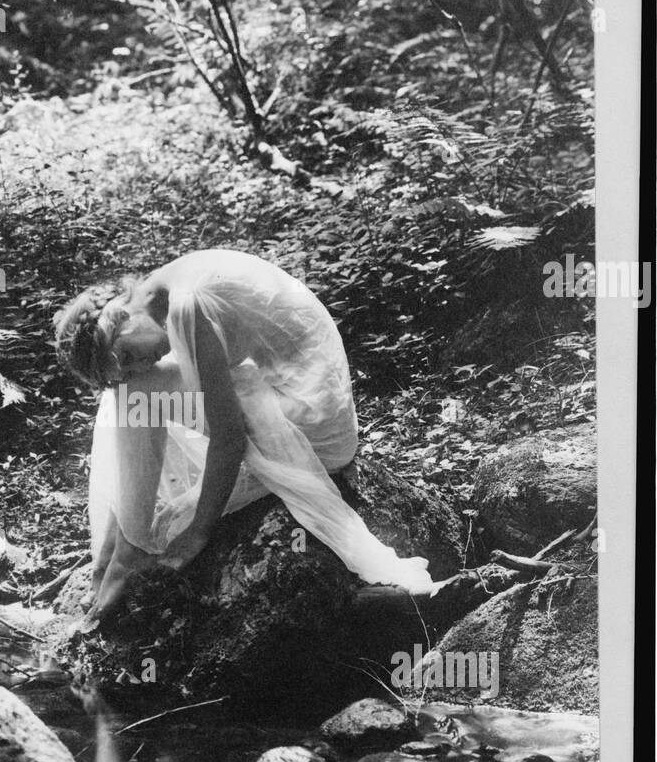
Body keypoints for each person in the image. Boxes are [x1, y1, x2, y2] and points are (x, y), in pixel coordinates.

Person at [54, 248, 435, 622]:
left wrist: (197, 534)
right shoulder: (165, 285)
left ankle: (126, 553)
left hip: (314, 419)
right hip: (312, 397)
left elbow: (229, 438)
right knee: (129, 392)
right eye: (127, 367)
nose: (141, 363)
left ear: (119, 312)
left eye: (128, 355)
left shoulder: (186, 307)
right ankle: (118, 549)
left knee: (135, 394)